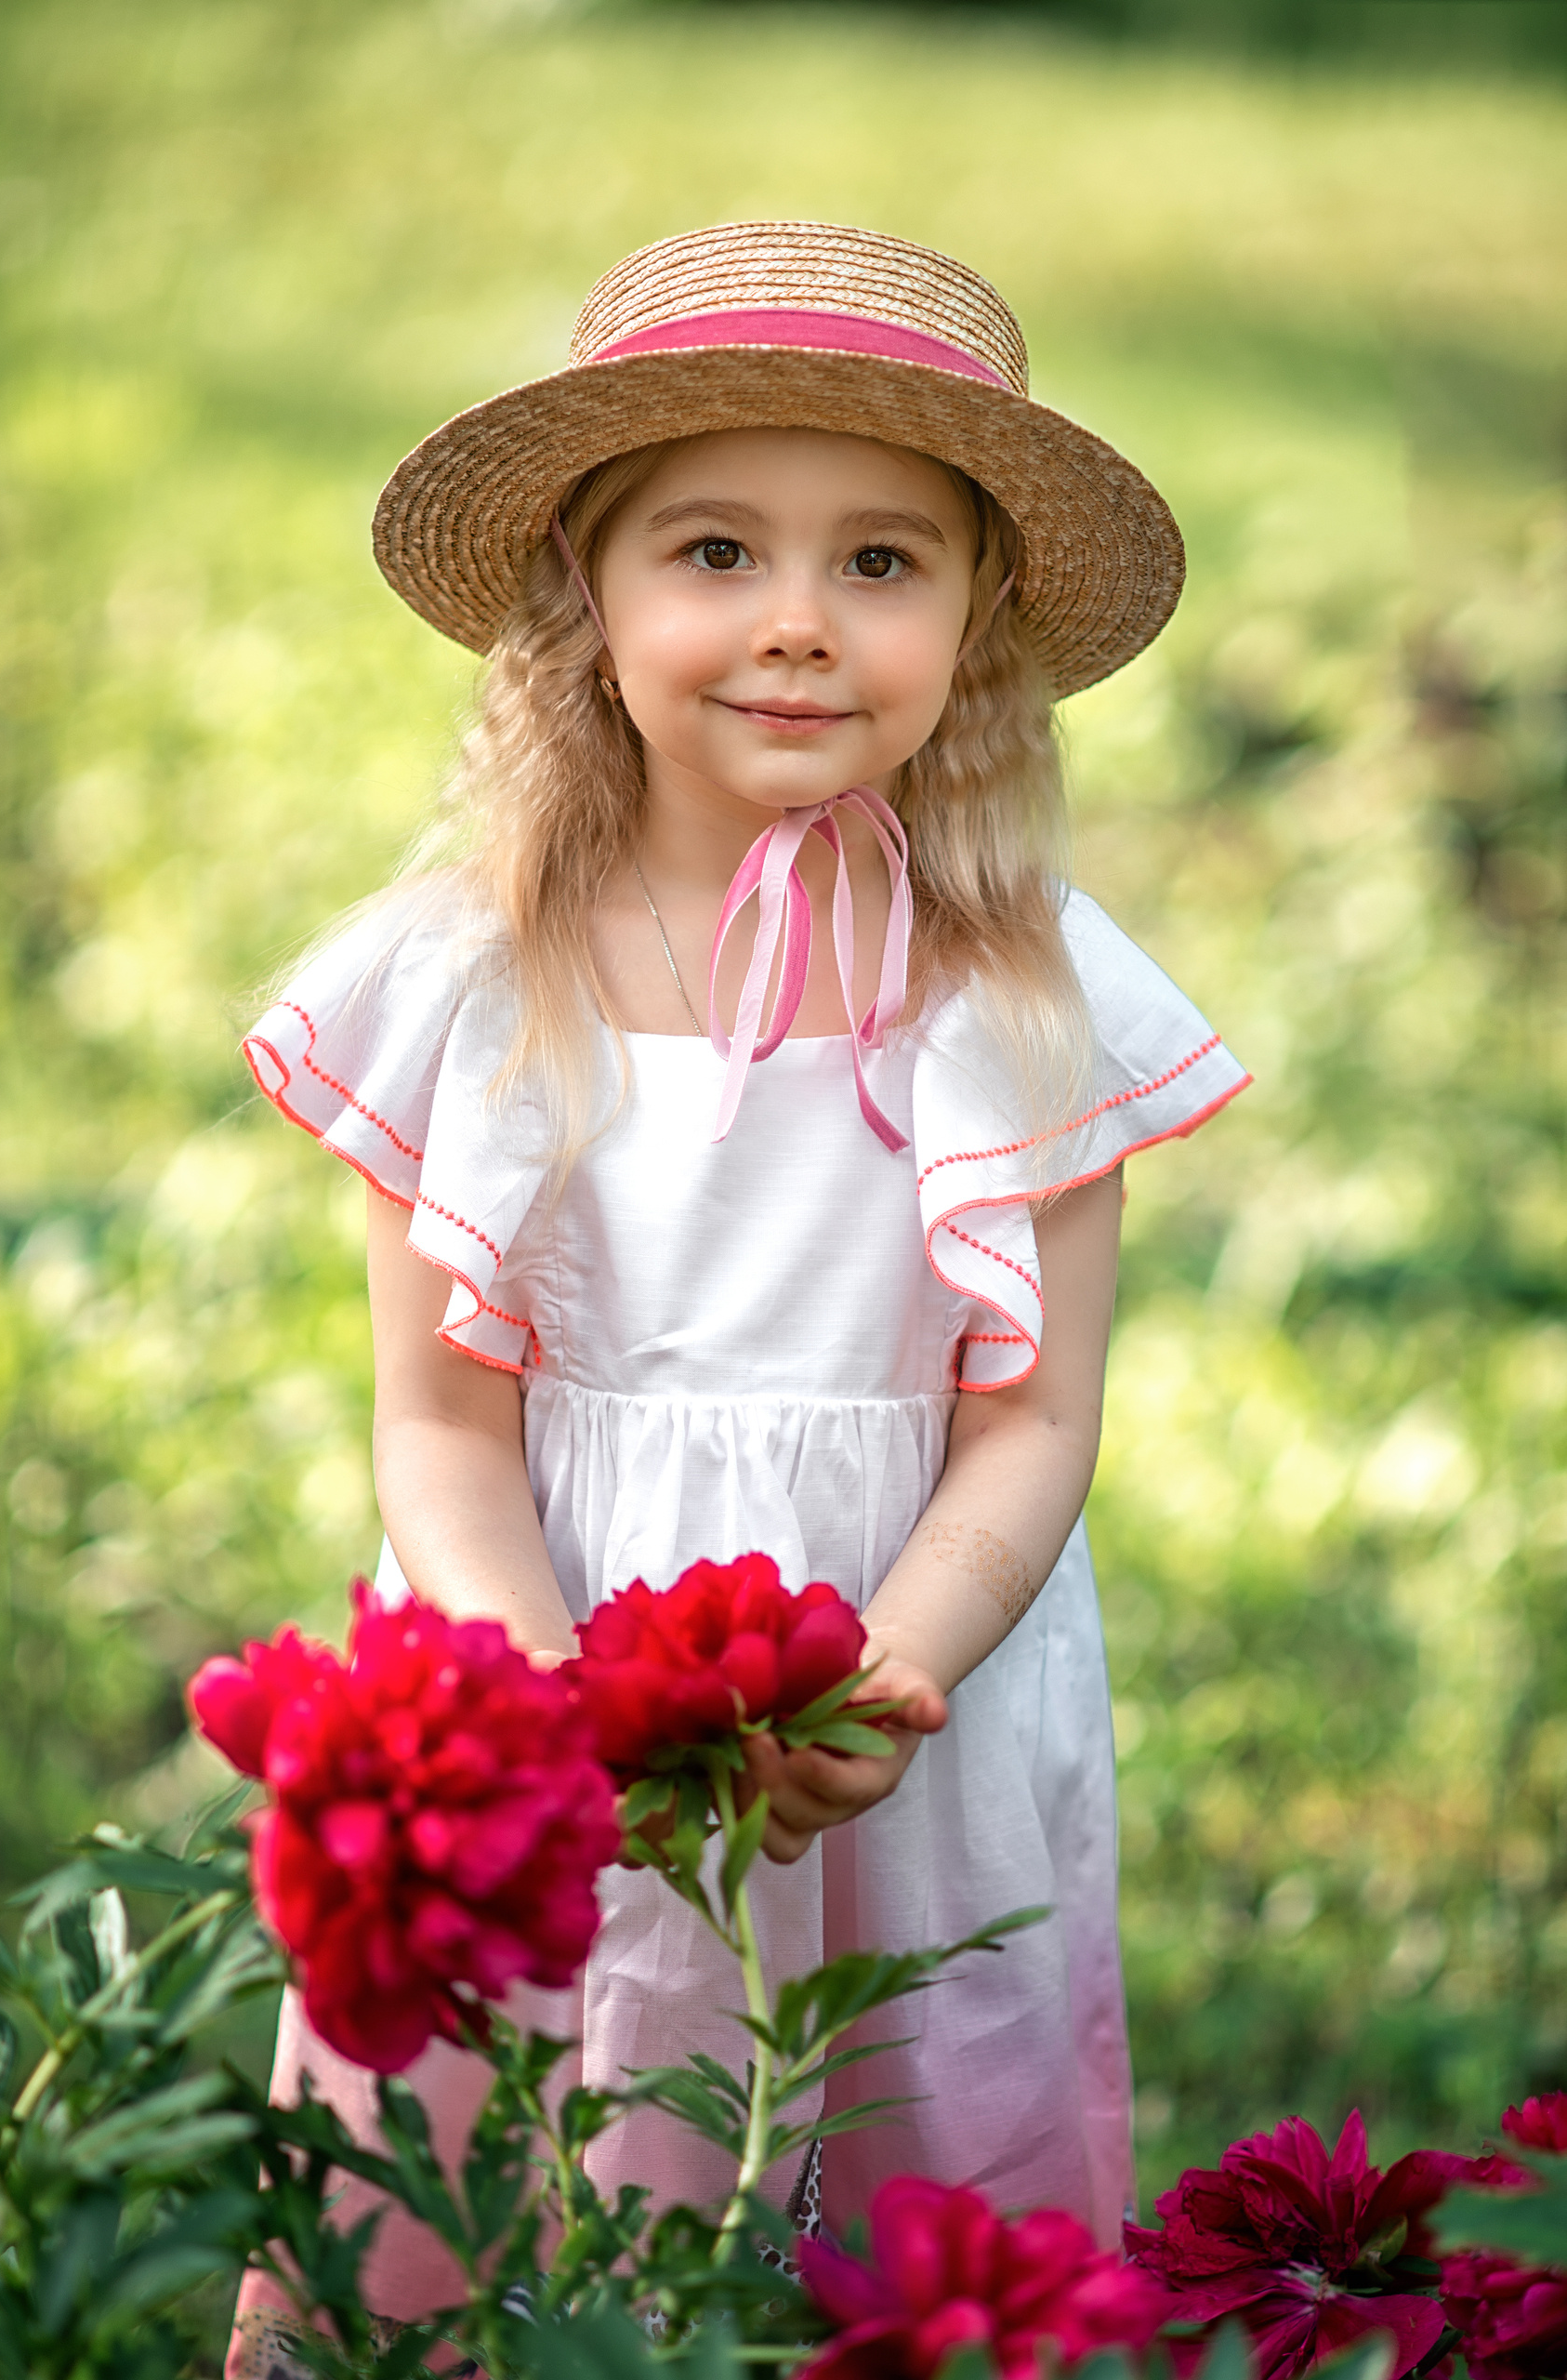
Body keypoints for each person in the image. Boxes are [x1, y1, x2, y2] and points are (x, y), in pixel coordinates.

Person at [225, 219, 1250, 2374]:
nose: (799, 623)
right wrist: (538, 1693)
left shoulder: (1020, 986)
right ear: (582, 597)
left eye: (883, 561)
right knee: (509, 2165)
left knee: (901, 2175)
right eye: (716, 548)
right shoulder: (476, 972)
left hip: (904, 1699)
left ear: (974, 623)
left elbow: (1031, 1419)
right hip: (543, 1680)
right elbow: (437, 1420)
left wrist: (900, 1666)